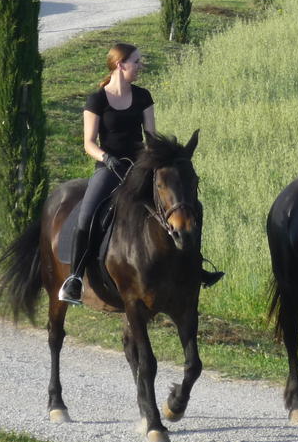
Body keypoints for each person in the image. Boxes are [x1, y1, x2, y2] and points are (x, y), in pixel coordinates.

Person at [58, 43, 223, 305]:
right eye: (136, 62)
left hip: (140, 168)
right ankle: (75, 278)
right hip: (109, 168)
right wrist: (107, 158)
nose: (140, 66)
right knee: (87, 215)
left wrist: (158, 159)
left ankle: (195, 267)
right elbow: (88, 143)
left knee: (187, 207)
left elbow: (152, 138)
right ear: (120, 64)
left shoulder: (143, 96)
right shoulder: (97, 100)